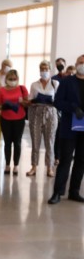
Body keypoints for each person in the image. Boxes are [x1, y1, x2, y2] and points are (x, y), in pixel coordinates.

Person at [48, 54, 84, 205]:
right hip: (70, 126)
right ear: (76, 64)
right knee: (65, 160)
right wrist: (73, 108)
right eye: (81, 62)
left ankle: (74, 191)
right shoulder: (67, 82)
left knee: (81, 160)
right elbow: (57, 102)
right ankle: (57, 192)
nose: (82, 65)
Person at [25, 61, 59, 177]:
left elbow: (59, 100)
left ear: (50, 70)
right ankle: (34, 166)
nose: (44, 71)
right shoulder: (34, 85)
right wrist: (33, 101)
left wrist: (52, 101)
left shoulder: (55, 83)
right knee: (35, 141)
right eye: (42, 69)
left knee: (50, 141)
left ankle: (49, 167)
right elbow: (29, 100)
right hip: (36, 112)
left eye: (46, 69)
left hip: (51, 113)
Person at [0, 69, 29, 175]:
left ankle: (16, 165)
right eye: (10, 79)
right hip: (5, 118)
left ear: (18, 79)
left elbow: (27, 103)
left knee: (17, 142)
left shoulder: (22, 88)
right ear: (6, 79)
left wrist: (21, 102)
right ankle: (7, 165)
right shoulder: (1, 90)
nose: (12, 81)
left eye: (14, 79)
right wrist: (5, 106)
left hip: (19, 118)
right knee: (7, 142)